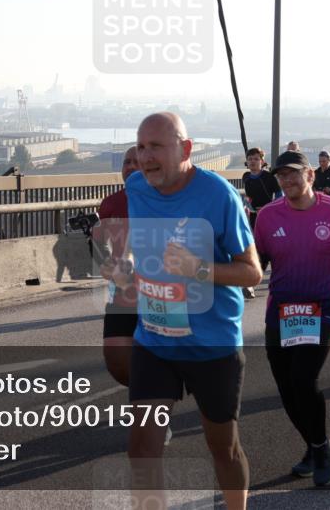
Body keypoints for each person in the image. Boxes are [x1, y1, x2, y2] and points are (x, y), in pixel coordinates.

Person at [103, 112, 262, 510]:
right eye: (141, 147)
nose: (145, 157)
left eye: (156, 147)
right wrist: (126, 269)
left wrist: (198, 269)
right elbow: (142, 245)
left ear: (186, 149)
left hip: (211, 344)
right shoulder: (136, 187)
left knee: (223, 449)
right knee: (142, 449)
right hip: (155, 340)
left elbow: (251, 272)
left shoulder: (218, 195)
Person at [254, 150, 330, 487]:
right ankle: (314, 445)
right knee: (286, 387)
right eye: (281, 176)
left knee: (303, 379)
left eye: (293, 173)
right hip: (282, 307)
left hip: (322, 306)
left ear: (310, 175)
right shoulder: (267, 216)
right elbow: (258, 263)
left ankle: (320, 448)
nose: (287, 180)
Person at [96, 146, 139, 387]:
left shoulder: (166, 200)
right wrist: (105, 263)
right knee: (118, 359)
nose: (131, 166)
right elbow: (99, 242)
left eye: (136, 162)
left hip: (159, 288)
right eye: (126, 162)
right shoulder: (110, 203)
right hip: (121, 287)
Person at [242, 147, 282, 296]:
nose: (252, 162)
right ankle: (250, 284)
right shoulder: (246, 177)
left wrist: (268, 209)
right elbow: (248, 197)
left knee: (273, 250)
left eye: (256, 159)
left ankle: (281, 280)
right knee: (255, 250)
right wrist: (248, 206)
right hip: (254, 218)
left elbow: (279, 195)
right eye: (250, 159)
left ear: (262, 161)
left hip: (270, 218)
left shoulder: (269, 177)